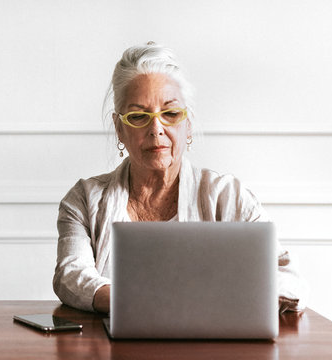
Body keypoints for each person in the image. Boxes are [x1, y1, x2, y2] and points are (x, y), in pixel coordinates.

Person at [53, 43, 308, 314]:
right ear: (119, 128)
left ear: (188, 125)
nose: (156, 129)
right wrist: (154, 304)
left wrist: (203, 302)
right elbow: (71, 276)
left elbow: (288, 280)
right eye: (138, 116)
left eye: (171, 113)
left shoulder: (227, 196)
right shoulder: (84, 199)